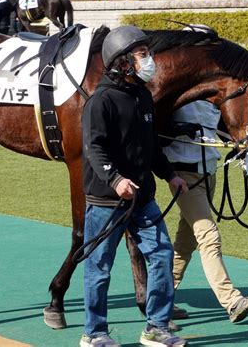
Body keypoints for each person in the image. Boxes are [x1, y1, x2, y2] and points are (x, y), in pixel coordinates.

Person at [80, 25, 188, 347]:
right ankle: (94, 333)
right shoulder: (100, 101)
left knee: (161, 253)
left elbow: (150, 145)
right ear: (123, 62)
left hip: (142, 199)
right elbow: (94, 148)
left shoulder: (143, 96)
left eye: (148, 53)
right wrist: (115, 180)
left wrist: (170, 175)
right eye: (142, 54)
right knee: (99, 266)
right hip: (106, 202)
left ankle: (156, 327)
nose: (149, 59)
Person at [161, 100, 248, 324]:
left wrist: (240, 146)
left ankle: (160, 298)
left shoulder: (212, 92)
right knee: (209, 237)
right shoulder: (181, 88)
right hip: (184, 175)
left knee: (186, 241)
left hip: (208, 172)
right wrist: (174, 129)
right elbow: (156, 125)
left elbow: (221, 127)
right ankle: (232, 301)